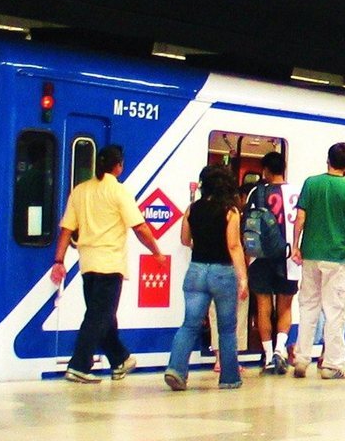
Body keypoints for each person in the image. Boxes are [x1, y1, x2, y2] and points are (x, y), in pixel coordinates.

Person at [51, 144, 167, 383]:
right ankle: (79, 365)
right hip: (110, 264)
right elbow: (140, 227)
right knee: (98, 317)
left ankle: (120, 360)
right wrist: (157, 251)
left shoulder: (80, 191)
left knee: (103, 316)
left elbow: (66, 229)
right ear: (119, 166)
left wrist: (59, 260)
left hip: (88, 266)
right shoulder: (119, 192)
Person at [164, 166, 248, 390]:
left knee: (189, 325)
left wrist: (201, 244)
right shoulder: (230, 211)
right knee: (227, 329)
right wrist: (243, 278)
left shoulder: (192, 209)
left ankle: (176, 369)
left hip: (196, 271)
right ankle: (229, 378)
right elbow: (234, 245)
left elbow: (184, 239)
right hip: (222, 272)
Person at [291, 141, 345, 380]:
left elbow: (300, 218)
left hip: (311, 255)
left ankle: (302, 359)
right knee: (335, 312)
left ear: (328, 159)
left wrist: (296, 246)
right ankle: (331, 365)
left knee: (308, 308)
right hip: (335, 257)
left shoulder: (311, 184)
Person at [246, 152, 297, 375]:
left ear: (266, 169)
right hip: (288, 257)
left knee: (263, 307)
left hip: (260, 257)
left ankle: (267, 356)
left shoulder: (256, 192)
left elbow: (247, 225)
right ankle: (279, 350)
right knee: (285, 306)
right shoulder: (296, 194)